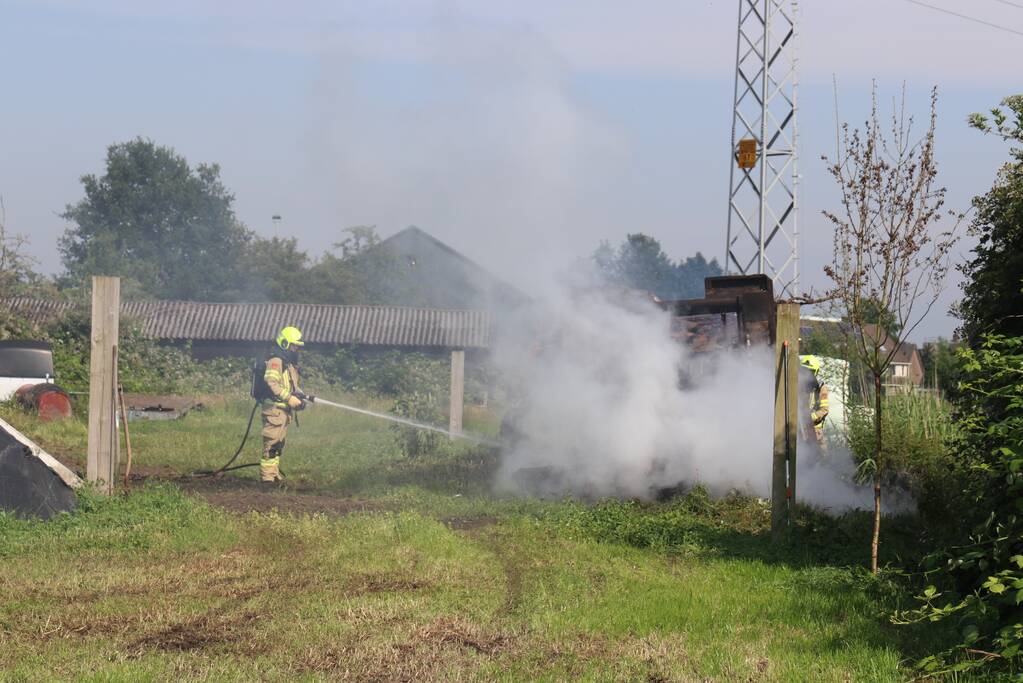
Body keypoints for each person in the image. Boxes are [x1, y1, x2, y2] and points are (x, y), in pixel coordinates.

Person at [258, 326, 308, 482]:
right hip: (274, 410)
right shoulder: (276, 361)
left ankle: (274, 474)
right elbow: (271, 382)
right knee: (271, 444)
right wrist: (289, 398)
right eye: (294, 346)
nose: (296, 350)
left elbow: (292, 386)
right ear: (285, 344)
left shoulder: (289, 364)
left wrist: (301, 398)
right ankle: (267, 479)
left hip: (283, 411)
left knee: (278, 445)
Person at [799, 354, 829, 447]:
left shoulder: (820, 388)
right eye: (804, 370)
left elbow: (824, 410)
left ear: (816, 371)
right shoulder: (797, 385)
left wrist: (809, 417)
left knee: (820, 457)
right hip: (799, 430)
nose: (806, 374)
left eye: (810, 371)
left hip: (815, 431)